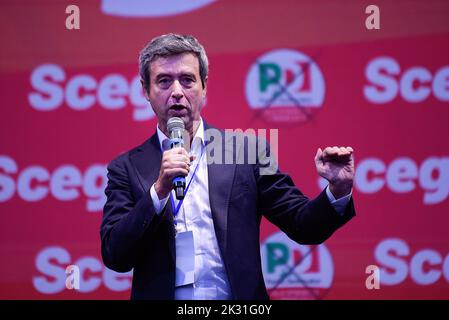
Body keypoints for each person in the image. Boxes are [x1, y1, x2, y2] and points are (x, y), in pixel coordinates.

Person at [100, 33, 356, 300]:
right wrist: (158, 192)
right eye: (164, 81)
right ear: (146, 90)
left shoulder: (248, 152)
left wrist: (338, 189)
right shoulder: (126, 167)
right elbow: (115, 255)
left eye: (187, 80)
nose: (176, 92)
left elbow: (304, 226)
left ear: (204, 86)